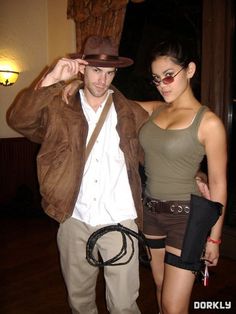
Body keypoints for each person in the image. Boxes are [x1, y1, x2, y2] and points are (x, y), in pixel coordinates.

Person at [7, 35, 149, 314]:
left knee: (124, 306)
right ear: (82, 67)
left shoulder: (130, 112)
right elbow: (18, 120)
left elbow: (154, 151)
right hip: (74, 217)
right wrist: (52, 79)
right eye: (96, 70)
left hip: (120, 218)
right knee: (80, 302)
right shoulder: (60, 106)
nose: (102, 80)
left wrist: (196, 175)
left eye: (109, 73)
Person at [137, 39, 227, 314]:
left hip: (185, 219)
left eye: (168, 76)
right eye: (156, 79)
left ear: (189, 70)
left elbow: (219, 184)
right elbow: (113, 105)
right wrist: (75, 84)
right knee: (161, 290)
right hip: (151, 213)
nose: (162, 85)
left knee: (174, 306)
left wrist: (214, 239)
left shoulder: (209, 123)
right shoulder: (155, 109)